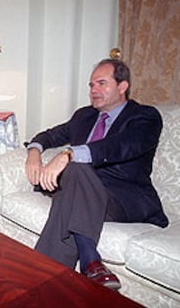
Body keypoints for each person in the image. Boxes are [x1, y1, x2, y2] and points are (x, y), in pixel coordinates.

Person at [25, 58, 168, 290]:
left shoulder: (145, 116)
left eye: (102, 83)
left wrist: (69, 154)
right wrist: (34, 151)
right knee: (75, 180)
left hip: (123, 198)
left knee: (76, 169)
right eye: (91, 85)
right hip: (81, 191)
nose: (94, 90)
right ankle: (87, 264)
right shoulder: (84, 116)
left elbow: (120, 146)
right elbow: (50, 135)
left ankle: (40, 273)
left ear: (123, 87)